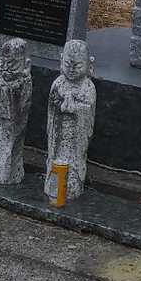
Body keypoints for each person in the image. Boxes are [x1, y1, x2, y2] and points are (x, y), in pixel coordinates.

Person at [45, 39, 96, 202]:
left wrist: (76, 109)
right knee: (55, 159)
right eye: (67, 64)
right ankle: (53, 185)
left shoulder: (88, 87)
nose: (72, 69)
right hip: (59, 134)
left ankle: (72, 187)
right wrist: (61, 106)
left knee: (74, 163)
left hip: (76, 137)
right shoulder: (58, 83)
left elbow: (88, 111)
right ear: (61, 60)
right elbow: (52, 106)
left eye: (78, 65)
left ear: (89, 64)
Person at [0, 37, 33, 185]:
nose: (5, 68)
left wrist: (14, 89)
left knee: (9, 149)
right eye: (2, 63)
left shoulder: (24, 81)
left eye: (11, 64)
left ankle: (8, 173)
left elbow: (23, 106)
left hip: (11, 122)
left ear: (25, 63)